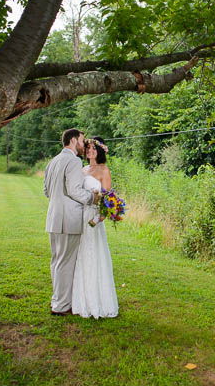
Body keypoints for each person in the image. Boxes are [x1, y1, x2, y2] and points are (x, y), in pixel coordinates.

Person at [43, 128, 98, 316]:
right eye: (82, 141)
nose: (84, 145)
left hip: (53, 218)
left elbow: (47, 191)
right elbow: (75, 190)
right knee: (65, 263)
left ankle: (57, 300)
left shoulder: (53, 161)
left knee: (57, 261)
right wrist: (93, 198)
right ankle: (61, 306)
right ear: (73, 141)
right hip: (69, 219)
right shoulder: (73, 161)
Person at [71, 136, 119, 318]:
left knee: (94, 254)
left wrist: (100, 216)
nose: (90, 151)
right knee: (81, 255)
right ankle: (81, 300)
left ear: (100, 151)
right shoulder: (83, 169)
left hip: (93, 218)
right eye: (88, 148)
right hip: (80, 215)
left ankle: (98, 302)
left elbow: (108, 198)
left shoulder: (103, 170)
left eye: (93, 148)